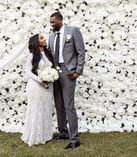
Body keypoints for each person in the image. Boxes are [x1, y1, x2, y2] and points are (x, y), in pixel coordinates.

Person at [48, 12, 86, 149]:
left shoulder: (73, 31)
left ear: (60, 20)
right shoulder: (51, 37)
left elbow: (81, 51)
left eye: (53, 22)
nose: (51, 25)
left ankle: (75, 139)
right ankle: (63, 132)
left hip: (69, 72)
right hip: (54, 74)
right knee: (59, 105)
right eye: (50, 22)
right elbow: (50, 55)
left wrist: (78, 71)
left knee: (69, 106)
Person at [21, 34, 55, 146]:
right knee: (36, 110)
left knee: (46, 109)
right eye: (41, 38)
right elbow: (28, 71)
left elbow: (51, 68)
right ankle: (35, 136)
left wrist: (52, 76)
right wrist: (40, 79)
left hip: (48, 87)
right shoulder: (32, 55)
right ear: (36, 42)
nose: (44, 39)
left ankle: (45, 134)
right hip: (36, 87)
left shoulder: (48, 54)